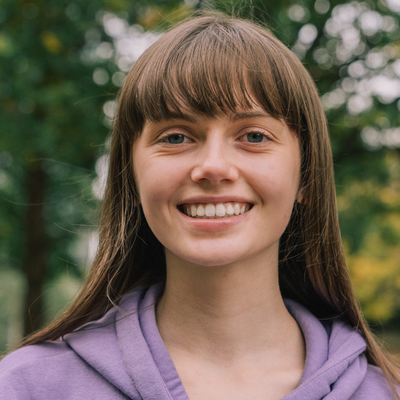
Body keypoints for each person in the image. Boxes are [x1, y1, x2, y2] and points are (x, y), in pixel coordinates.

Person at [0, 12, 399, 400]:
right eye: (175, 137)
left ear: (306, 175)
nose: (213, 167)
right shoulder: (24, 387)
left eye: (254, 136)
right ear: (131, 175)